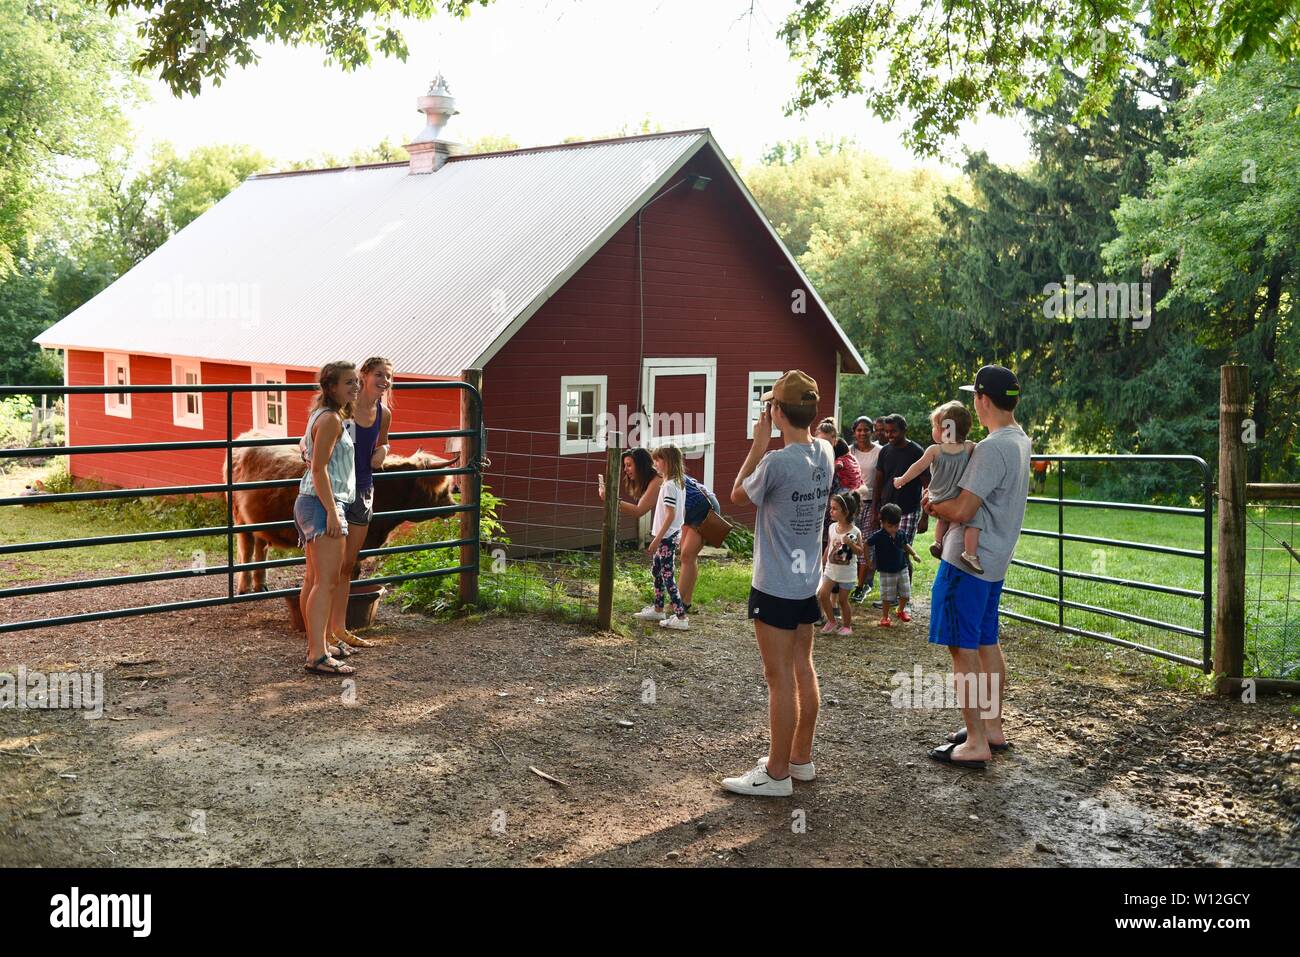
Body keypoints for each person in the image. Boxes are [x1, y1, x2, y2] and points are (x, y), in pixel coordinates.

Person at [721, 370, 833, 798]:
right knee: (802, 668)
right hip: (807, 582)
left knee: (778, 678)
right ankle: (800, 759)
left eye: (770, 406)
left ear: (778, 413)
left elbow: (735, 494)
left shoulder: (775, 462)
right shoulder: (823, 449)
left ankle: (777, 772)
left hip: (774, 585)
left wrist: (757, 444)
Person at [924, 365, 1031, 770]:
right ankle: (991, 728)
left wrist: (933, 506)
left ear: (983, 400)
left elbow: (964, 508)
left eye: (974, 396)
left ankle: (975, 743)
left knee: (962, 648)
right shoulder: (1020, 440)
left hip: (967, 563)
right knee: (986, 642)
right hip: (995, 561)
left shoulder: (991, 448)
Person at [302, 357, 394, 654]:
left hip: (361, 490)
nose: (384, 381)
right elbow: (315, 448)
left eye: (389, 377)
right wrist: (307, 451)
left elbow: (380, 443)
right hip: (332, 493)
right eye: (379, 374)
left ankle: (337, 629)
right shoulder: (342, 413)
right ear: (364, 375)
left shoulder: (383, 413)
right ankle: (317, 640)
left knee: (345, 567)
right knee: (319, 573)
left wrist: (384, 449)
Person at [600, 447, 719, 625]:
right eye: (624, 466)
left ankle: (679, 610)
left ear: (640, 465)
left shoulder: (660, 480)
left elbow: (639, 511)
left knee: (686, 556)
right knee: (676, 562)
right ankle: (673, 606)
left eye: (629, 465)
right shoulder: (661, 479)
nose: (626, 470)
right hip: (687, 512)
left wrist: (609, 498)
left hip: (702, 508)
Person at [295, 362, 360, 675]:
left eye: (357, 382)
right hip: (323, 504)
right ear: (331, 386)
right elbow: (319, 468)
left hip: (310, 501)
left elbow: (309, 452)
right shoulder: (332, 419)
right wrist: (333, 511)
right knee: (327, 581)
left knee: (313, 579)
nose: (355, 388)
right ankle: (317, 655)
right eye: (349, 383)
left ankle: (317, 646)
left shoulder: (319, 415)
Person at [892, 399, 983, 573]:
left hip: (937, 497)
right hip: (957, 498)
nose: (933, 430)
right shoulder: (970, 447)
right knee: (975, 520)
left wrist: (901, 479)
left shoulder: (935, 450)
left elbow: (917, 467)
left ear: (945, 430)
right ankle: (970, 553)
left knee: (943, 520)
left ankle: (938, 542)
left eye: (935, 426)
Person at [871, 414, 928, 609]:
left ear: (904, 430)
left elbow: (926, 483)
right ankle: (890, 596)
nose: (889, 435)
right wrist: (875, 509)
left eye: (893, 431)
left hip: (908, 510)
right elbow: (879, 481)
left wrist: (925, 515)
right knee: (887, 552)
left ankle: (905, 597)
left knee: (903, 551)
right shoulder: (885, 451)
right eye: (886, 432)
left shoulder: (916, 451)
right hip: (887, 509)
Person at [634, 446, 689, 629]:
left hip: (666, 537)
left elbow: (670, 515)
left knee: (667, 575)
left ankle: (681, 617)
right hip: (670, 535)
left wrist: (657, 538)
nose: (655, 463)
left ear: (669, 462)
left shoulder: (669, 486)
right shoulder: (677, 483)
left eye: (658, 460)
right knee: (657, 570)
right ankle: (658, 609)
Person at [864, 503, 919, 626]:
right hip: (886, 570)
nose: (894, 528)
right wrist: (868, 561)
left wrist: (914, 554)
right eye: (890, 526)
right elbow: (866, 545)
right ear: (882, 522)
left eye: (896, 525)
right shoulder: (878, 536)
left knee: (906, 593)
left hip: (902, 567)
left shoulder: (900, 533)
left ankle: (900, 610)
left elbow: (905, 544)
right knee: (887, 596)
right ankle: (885, 617)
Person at [817, 491, 863, 635]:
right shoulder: (832, 527)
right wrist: (823, 562)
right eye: (831, 508)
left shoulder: (855, 532)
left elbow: (860, 552)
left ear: (846, 512)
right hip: (831, 569)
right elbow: (829, 546)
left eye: (834, 508)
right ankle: (831, 621)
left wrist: (851, 544)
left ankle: (847, 626)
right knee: (823, 594)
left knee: (843, 601)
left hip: (847, 572)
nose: (831, 511)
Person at [848, 415, 881, 602]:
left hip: (870, 503)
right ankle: (844, 582)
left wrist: (877, 508)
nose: (862, 433)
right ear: (854, 432)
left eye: (866, 429)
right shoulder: (849, 451)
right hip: (851, 504)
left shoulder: (879, 451)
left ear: (872, 431)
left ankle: (861, 586)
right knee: (848, 541)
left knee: (866, 544)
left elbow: (881, 479)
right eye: (859, 430)